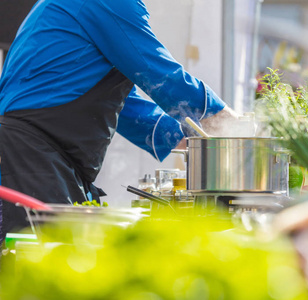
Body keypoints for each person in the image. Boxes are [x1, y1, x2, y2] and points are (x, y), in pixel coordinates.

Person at [0, 0, 239, 242]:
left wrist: (179, 137)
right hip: (32, 158)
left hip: (35, 154)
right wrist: (226, 125)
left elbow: (120, 102)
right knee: (37, 267)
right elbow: (159, 72)